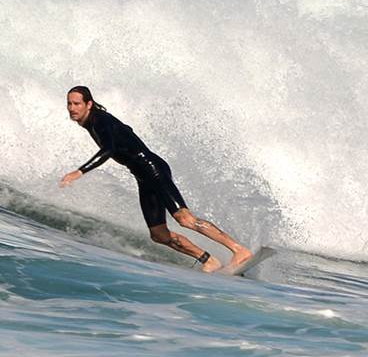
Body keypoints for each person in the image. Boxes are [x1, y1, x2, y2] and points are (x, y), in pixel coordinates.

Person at [57, 85, 252, 272]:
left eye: (77, 104)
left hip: (152, 169)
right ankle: (208, 260)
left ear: (89, 104)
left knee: (185, 219)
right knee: (158, 234)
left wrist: (80, 171)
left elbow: (109, 149)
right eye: (69, 104)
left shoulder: (100, 120)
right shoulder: (91, 122)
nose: (72, 108)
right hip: (142, 175)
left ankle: (239, 250)